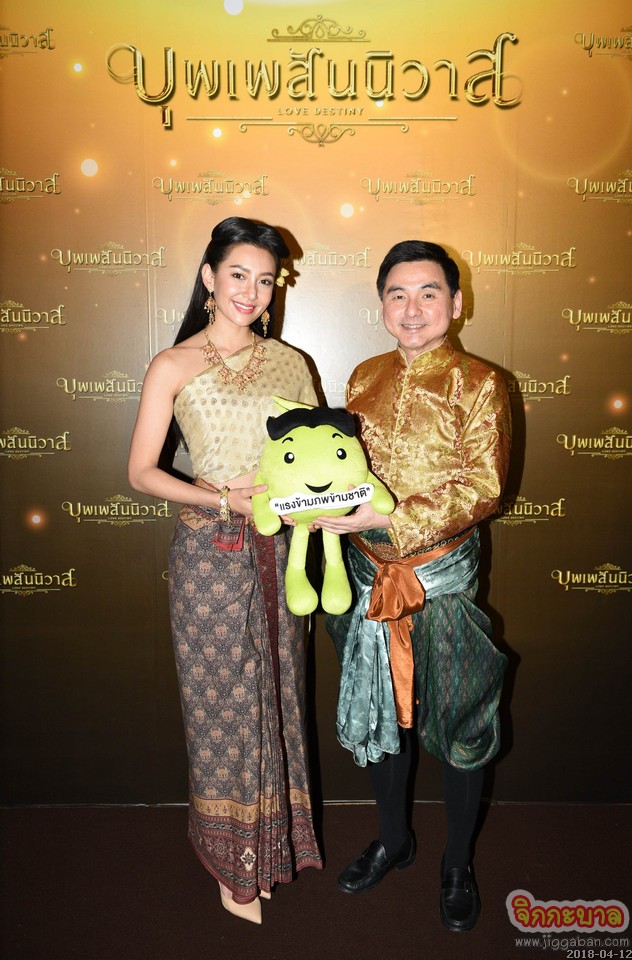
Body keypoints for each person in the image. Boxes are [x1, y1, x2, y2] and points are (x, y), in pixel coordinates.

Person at [128, 217, 322, 925]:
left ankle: (268, 852)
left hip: (279, 552)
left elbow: (313, 456)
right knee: (220, 710)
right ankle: (231, 863)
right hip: (209, 555)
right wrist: (221, 499)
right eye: (238, 274)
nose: (251, 291)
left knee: (278, 698)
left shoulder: (292, 364)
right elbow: (141, 472)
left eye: (265, 280)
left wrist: (314, 507)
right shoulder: (173, 365)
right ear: (210, 277)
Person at [315, 240, 511, 933]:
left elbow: (483, 486)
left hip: (441, 585)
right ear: (381, 305)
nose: (412, 308)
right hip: (366, 579)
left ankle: (456, 862)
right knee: (381, 716)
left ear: (456, 304)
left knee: (461, 726)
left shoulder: (481, 383)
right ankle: (394, 839)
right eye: (397, 294)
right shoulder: (363, 376)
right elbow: (345, 467)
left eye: (429, 293)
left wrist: (389, 518)